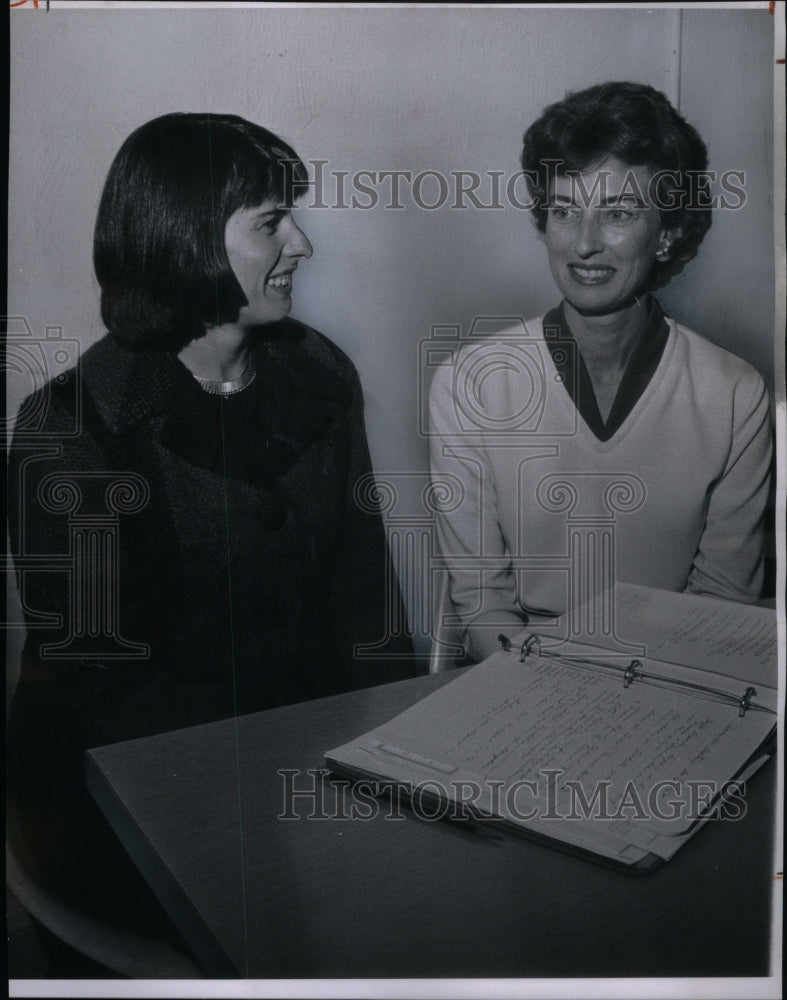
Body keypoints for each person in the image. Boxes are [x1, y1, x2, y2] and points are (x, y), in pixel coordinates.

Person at [7, 112, 415, 951]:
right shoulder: (70, 427)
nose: (301, 244)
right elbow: (96, 688)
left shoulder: (321, 372)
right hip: (131, 811)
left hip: (314, 781)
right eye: (271, 222)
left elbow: (361, 592)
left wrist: (395, 757)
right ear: (186, 240)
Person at [428, 82, 772, 664]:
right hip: (516, 674)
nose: (584, 244)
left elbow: (723, 604)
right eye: (564, 211)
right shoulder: (469, 383)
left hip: (673, 674)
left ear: (666, 233)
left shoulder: (734, 393)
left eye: (618, 213)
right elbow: (483, 601)